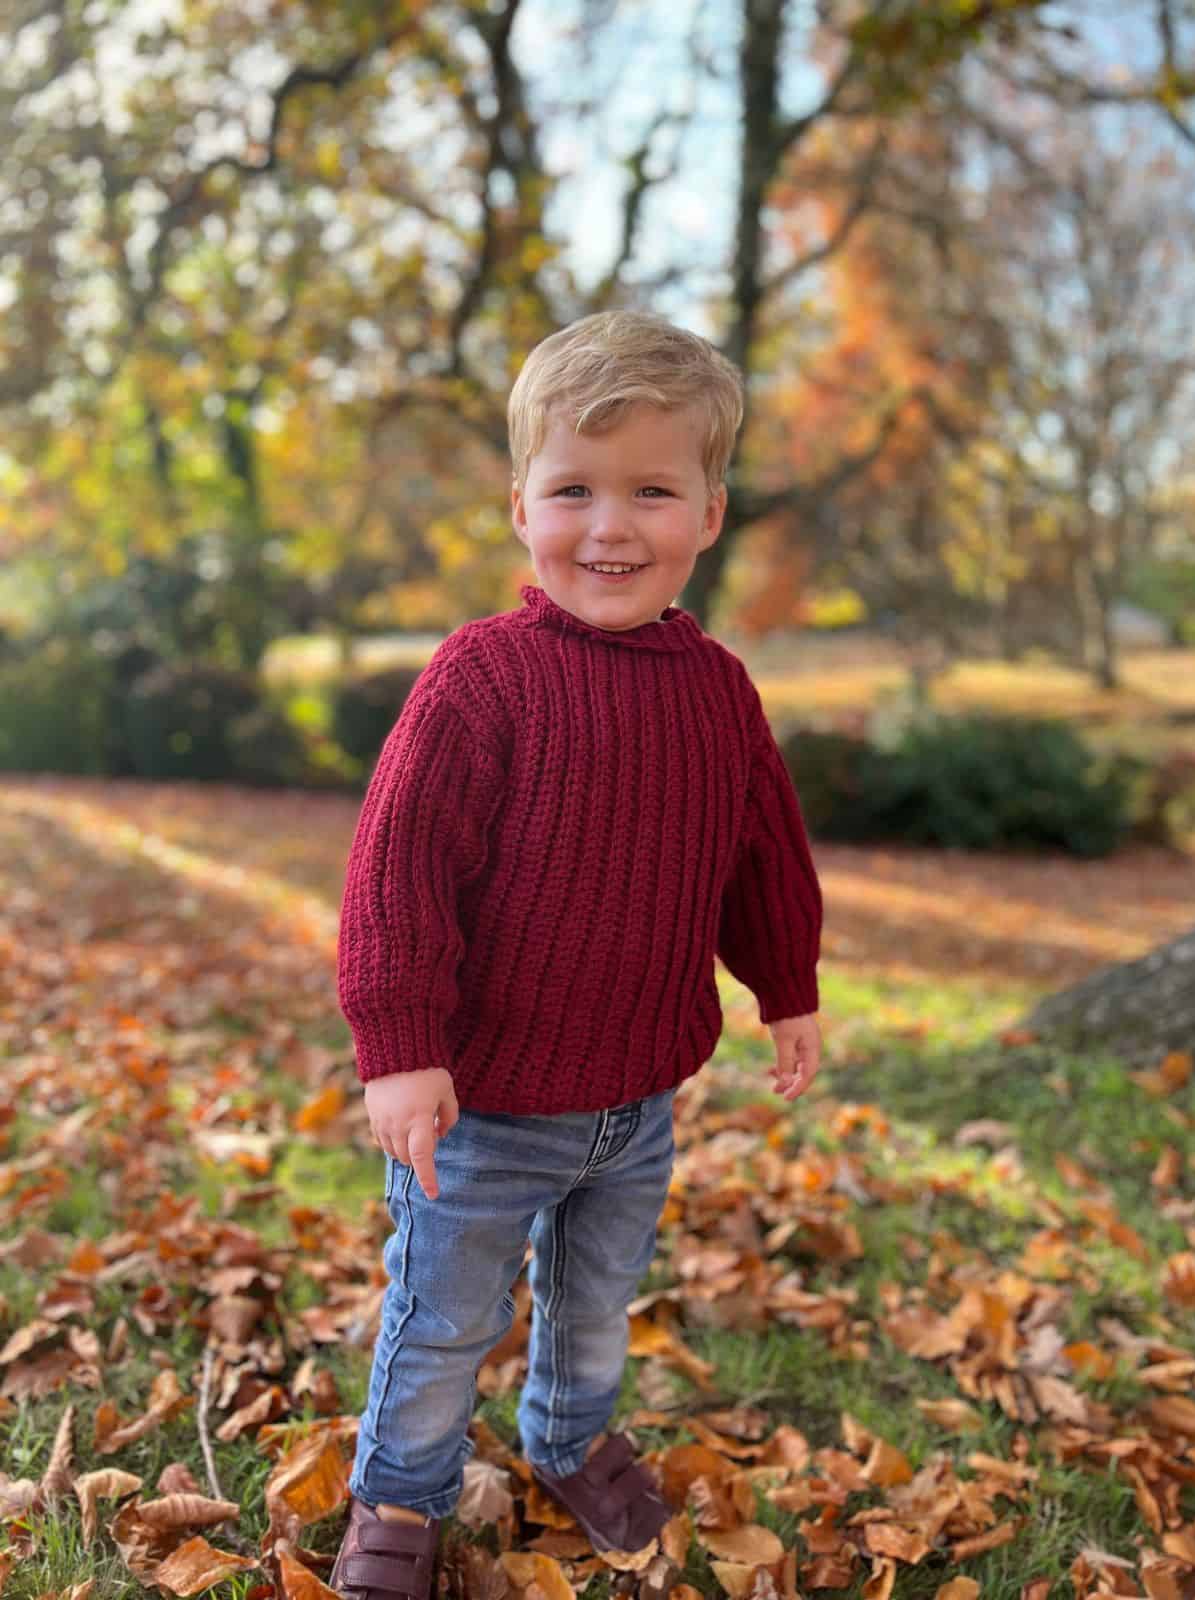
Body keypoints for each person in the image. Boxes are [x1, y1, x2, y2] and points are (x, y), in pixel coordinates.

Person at [330, 311, 824, 1600]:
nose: (611, 526)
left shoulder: (718, 691)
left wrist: (788, 988)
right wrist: (401, 1052)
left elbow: (760, 850)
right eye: (575, 490)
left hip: (636, 1102)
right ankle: (399, 1493)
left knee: (596, 1304)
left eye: (652, 491)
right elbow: (398, 873)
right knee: (445, 1322)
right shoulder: (483, 680)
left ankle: (564, 1436)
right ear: (520, 507)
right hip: (484, 1106)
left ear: (710, 512)